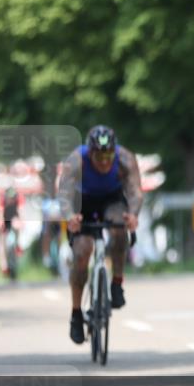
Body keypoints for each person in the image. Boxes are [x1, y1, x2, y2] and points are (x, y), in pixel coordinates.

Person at [58, 125, 143, 344]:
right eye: (99, 157)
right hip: (83, 201)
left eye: (108, 156)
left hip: (112, 199)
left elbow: (135, 192)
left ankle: (117, 283)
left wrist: (133, 215)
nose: (105, 162)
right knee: (82, 251)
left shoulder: (125, 159)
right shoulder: (77, 160)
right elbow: (64, 194)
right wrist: (70, 216)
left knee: (119, 229)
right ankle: (76, 314)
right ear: (90, 152)